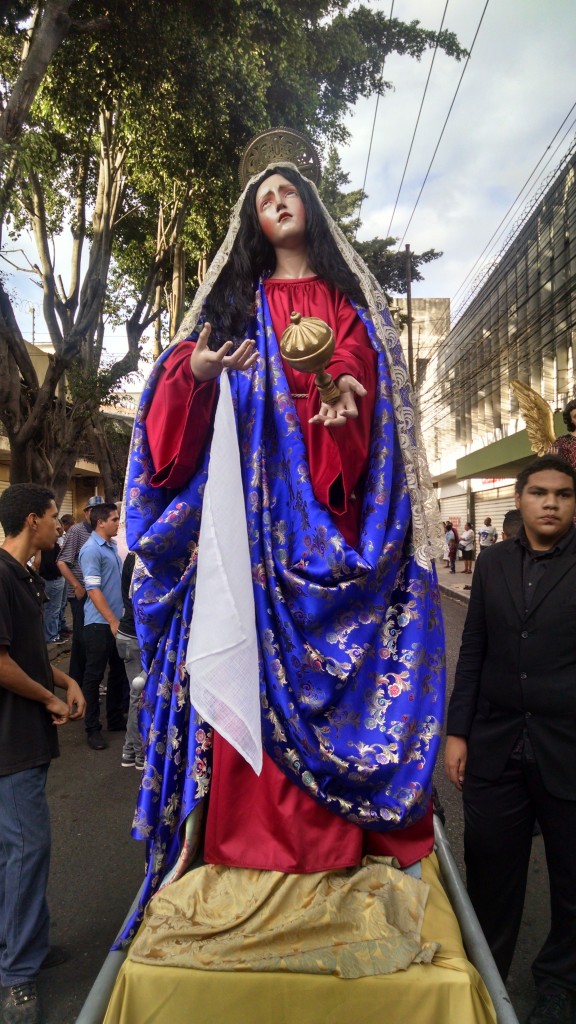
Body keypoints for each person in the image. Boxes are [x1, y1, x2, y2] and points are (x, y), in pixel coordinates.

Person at [119, 134, 445, 944]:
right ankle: (241, 843)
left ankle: (337, 844)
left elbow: (366, 425)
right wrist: (195, 378)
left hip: (326, 533)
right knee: (248, 665)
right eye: (263, 199)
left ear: (311, 206)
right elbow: (168, 423)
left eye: (287, 191)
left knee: (337, 665)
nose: (277, 203)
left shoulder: (346, 310)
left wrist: (343, 409)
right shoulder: (236, 312)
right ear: (254, 223)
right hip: (246, 532)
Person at [445, 455, 576, 1024]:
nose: (551, 503)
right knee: (492, 869)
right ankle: (485, 974)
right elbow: (473, 650)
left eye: (564, 494)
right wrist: (457, 732)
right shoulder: (494, 562)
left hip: (568, 746)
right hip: (496, 743)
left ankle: (559, 983)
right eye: (540, 493)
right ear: (518, 501)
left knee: (572, 880)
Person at [0, 484, 85, 1024]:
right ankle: (17, 978)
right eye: (55, 518)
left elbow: (26, 655)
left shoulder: (24, 578)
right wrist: (51, 696)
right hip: (11, 742)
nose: (60, 526)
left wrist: (63, 677)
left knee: (17, 853)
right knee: (28, 850)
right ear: (33, 521)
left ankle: (26, 943)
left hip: (23, 738)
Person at [78, 502, 129, 750]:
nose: (118, 522)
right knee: (94, 676)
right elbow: (93, 588)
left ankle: (115, 719)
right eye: (114, 518)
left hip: (114, 621)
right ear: (100, 522)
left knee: (118, 673)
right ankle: (92, 729)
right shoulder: (91, 550)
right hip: (99, 624)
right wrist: (112, 620)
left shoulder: (110, 546)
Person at [57, 496, 105, 685]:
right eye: (93, 510)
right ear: (86, 512)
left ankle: (90, 681)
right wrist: (77, 586)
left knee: (92, 638)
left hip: (95, 593)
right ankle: (77, 683)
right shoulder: (77, 531)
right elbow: (62, 562)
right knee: (81, 640)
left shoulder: (97, 531)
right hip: (80, 594)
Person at [115, 552, 145, 770]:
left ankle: (130, 750)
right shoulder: (142, 557)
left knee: (136, 696)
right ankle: (139, 753)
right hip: (135, 636)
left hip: (128, 635)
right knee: (139, 697)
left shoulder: (132, 556)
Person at [37, 526, 66, 645]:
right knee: (53, 609)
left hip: (54, 579)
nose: (59, 531)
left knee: (55, 608)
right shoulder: (48, 546)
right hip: (53, 580)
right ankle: (51, 636)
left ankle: (54, 632)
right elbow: (49, 564)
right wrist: (59, 572)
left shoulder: (55, 544)